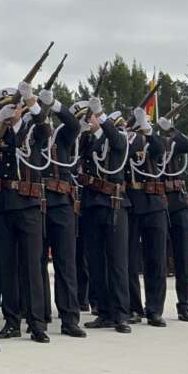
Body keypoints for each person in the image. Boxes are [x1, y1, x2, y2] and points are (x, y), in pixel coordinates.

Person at [0, 84, 50, 343]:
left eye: (13, 106)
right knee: (7, 266)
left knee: (31, 266)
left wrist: (32, 101)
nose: (10, 111)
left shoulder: (32, 130)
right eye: (5, 108)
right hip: (3, 205)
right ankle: (11, 321)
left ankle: (36, 323)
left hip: (28, 203)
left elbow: (45, 129)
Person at [36, 88, 86, 338]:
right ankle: (40, 315)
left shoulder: (62, 136)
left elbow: (74, 124)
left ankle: (69, 318)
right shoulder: (32, 134)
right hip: (36, 202)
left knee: (65, 263)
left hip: (61, 202)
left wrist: (54, 104)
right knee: (36, 263)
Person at [79, 100, 132, 333]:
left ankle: (121, 314)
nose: (87, 120)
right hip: (91, 204)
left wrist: (101, 115)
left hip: (113, 203)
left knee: (117, 262)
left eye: (89, 116)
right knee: (96, 262)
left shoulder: (115, 136)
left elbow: (119, 141)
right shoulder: (87, 140)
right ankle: (103, 312)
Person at [125, 107, 169, 327]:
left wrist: (147, 129)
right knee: (130, 261)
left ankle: (154, 310)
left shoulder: (152, 140)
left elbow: (160, 149)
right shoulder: (126, 141)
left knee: (156, 260)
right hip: (132, 204)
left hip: (154, 203)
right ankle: (133, 307)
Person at [158, 114, 188, 321]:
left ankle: (184, 305)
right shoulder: (149, 143)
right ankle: (156, 308)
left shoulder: (173, 143)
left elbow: (187, 145)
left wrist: (171, 129)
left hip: (178, 201)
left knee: (183, 258)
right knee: (158, 259)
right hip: (158, 201)